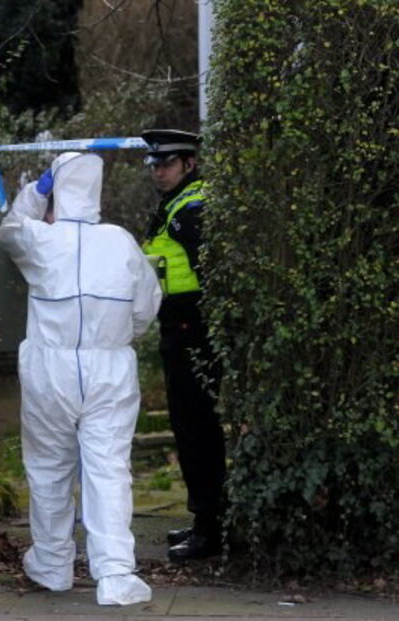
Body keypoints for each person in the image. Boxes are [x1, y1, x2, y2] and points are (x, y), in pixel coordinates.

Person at [0, 152, 162, 606]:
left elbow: (9, 227)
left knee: (49, 469)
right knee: (109, 469)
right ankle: (115, 575)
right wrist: (115, 339)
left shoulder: (40, 240)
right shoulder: (121, 242)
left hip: (50, 370)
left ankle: (52, 566)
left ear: (57, 194)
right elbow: (147, 305)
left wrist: (37, 191)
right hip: (109, 368)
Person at [140, 129, 226, 561]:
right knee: (191, 429)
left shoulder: (190, 212)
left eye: (167, 163)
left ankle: (210, 531)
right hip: (181, 328)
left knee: (198, 432)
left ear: (189, 165)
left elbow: (217, 275)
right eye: (154, 164)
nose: (158, 171)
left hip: (194, 330)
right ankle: (204, 521)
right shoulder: (174, 207)